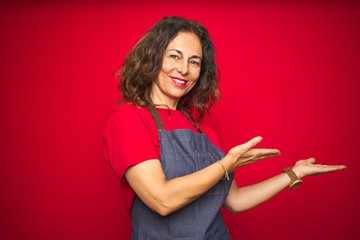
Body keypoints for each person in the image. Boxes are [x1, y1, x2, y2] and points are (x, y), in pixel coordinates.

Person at [103, 16, 346, 239]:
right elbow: (162, 199)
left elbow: (235, 200)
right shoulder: (128, 118)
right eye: (174, 56)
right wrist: (226, 165)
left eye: (194, 61)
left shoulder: (202, 130)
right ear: (154, 58)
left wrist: (294, 173)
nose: (184, 69)